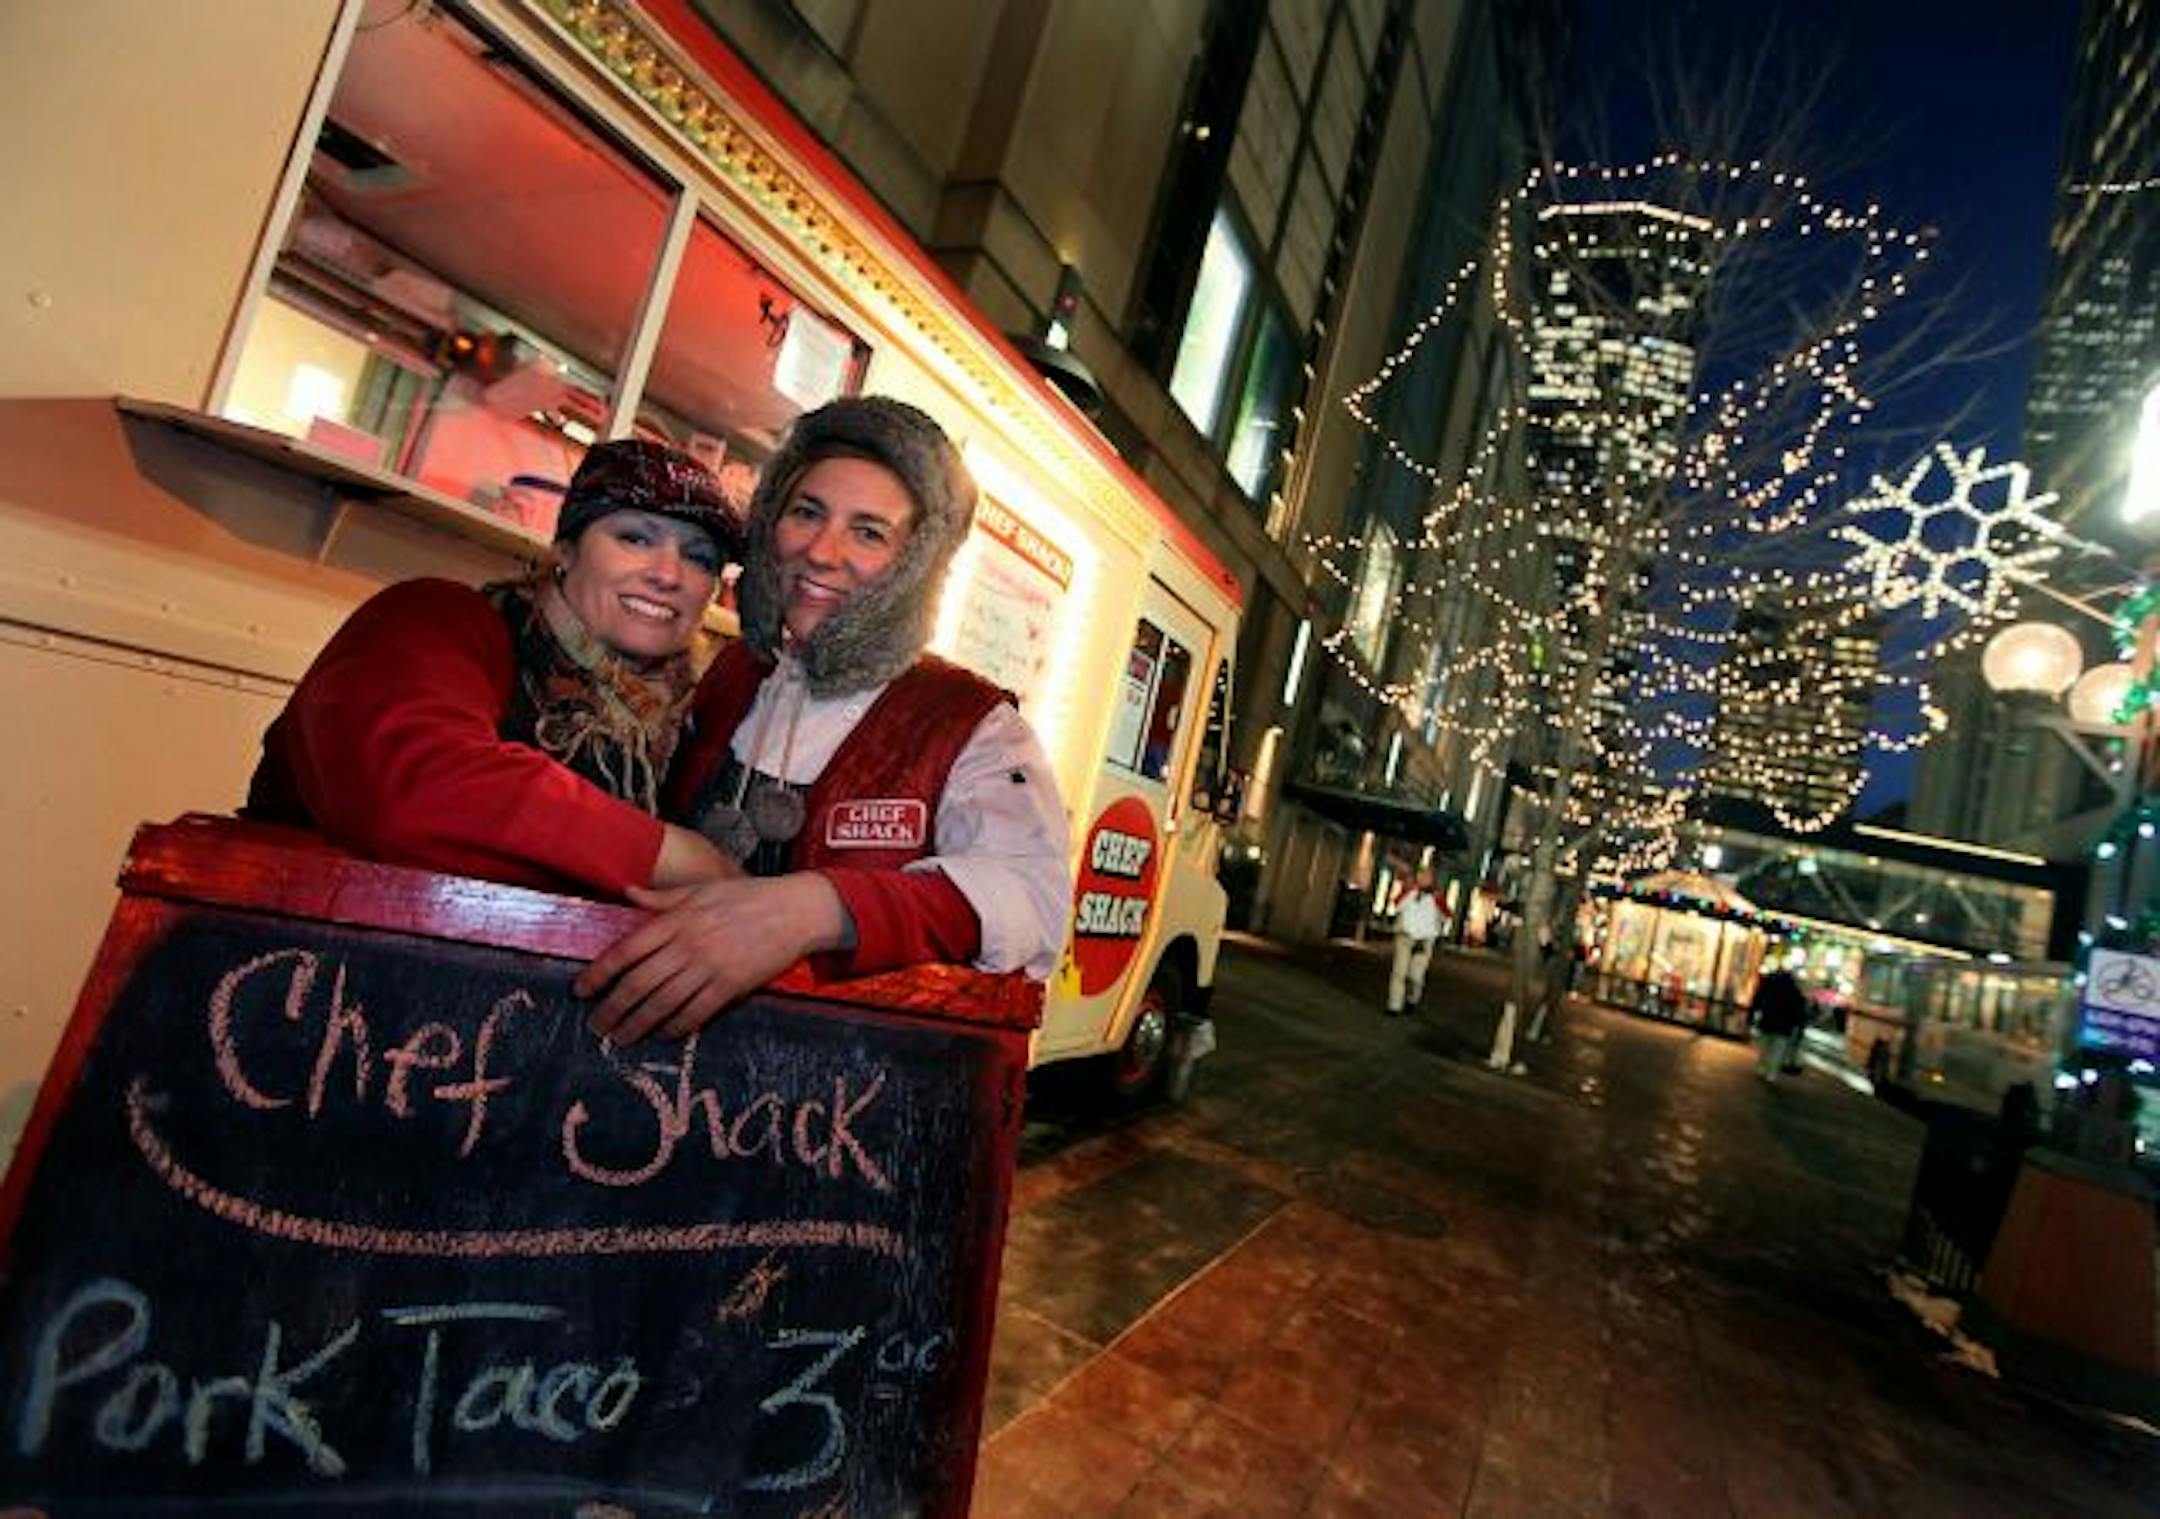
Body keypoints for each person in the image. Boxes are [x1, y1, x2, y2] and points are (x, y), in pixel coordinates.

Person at [578, 396, 1070, 1044]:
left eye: (869, 532)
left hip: (826, 1081)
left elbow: (1030, 901)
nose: (820, 551)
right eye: (807, 512)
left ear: (915, 563)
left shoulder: (974, 725)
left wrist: (817, 907)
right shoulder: (733, 673)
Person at [244, 439, 744, 896]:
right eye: (635, 538)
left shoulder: (687, 724)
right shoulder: (437, 622)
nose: (668, 575)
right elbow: (415, 795)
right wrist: (681, 859)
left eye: (699, 558)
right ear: (566, 547)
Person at [1386, 867, 1444, 1016]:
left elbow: (1446, 914)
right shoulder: (1410, 891)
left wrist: (1438, 902)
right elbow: (1396, 904)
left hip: (1425, 941)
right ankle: (1394, 1005)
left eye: (1427, 877)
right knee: (1399, 972)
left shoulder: (1437, 897)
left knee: (1416, 976)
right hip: (1405, 936)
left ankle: (1412, 998)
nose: (1423, 879)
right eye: (1421, 876)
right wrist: (1408, 890)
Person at [1751, 962, 1810, 1081]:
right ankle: (1771, 1073)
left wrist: (1754, 1012)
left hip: (1768, 1020)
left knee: (1765, 1045)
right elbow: (1799, 1010)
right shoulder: (1795, 990)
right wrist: (1799, 1027)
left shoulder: (1771, 985)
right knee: (1778, 1050)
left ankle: (1761, 1067)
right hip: (1784, 1026)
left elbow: (1759, 998)